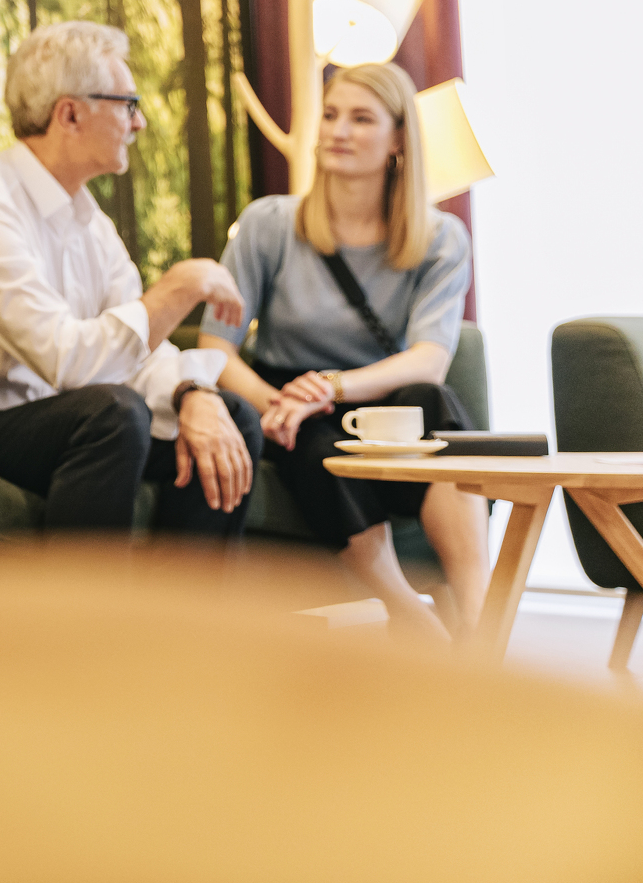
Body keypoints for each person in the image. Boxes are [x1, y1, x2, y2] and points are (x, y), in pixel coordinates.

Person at [0, 21, 263, 537]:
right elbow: (68, 360)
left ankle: (179, 615)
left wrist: (194, 391)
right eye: (129, 104)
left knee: (231, 415)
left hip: (54, 419)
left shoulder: (89, 222)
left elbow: (137, 354)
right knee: (111, 414)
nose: (141, 122)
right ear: (70, 113)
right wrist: (176, 291)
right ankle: (80, 619)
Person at [199, 63, 484, 639]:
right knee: (317, 445)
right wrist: (279, 403)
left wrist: (331, 388)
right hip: (282, 399)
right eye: (330, 115)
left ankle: (484, 626)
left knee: (435, 401)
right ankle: (413, 619)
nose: (338, 131)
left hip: (377, 394)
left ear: (399, 138)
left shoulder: (440, 239)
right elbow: (215, 348)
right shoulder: (267, 225)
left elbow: (429, 358)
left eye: (360, 119)